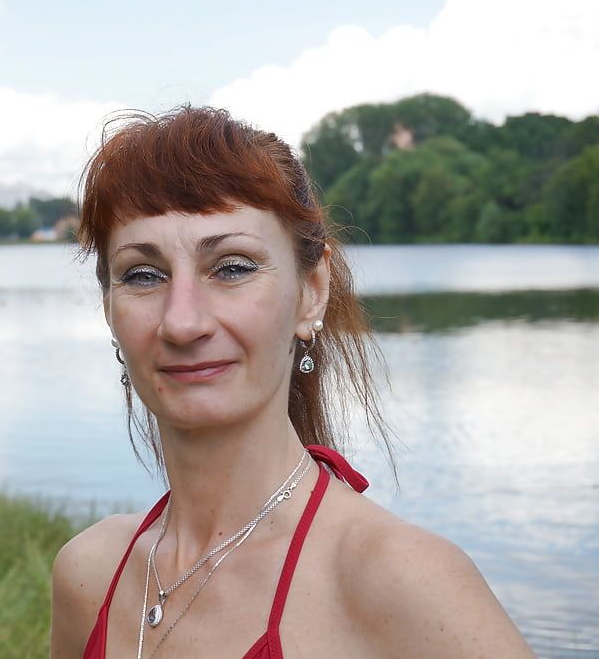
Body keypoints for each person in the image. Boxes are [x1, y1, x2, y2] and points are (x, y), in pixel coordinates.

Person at [50, 106, 534, 659]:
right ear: (109, 309)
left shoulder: (404, 583)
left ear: (311, 292)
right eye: (143, 275)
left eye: (232, 267)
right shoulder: (90, 574)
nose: (183, 322)